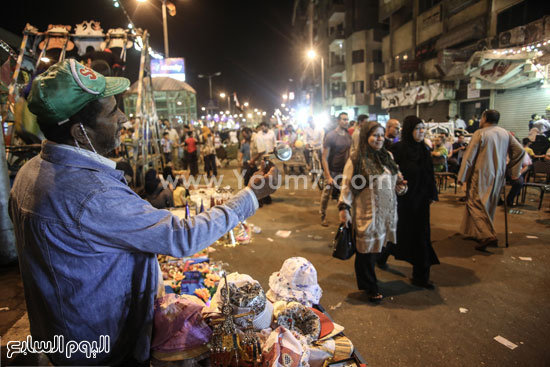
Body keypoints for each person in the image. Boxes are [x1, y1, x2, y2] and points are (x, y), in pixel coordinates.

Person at [9, 59, 278, 365]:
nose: (122, 118)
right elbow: (182, 238)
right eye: (112, 112)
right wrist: (251, 196)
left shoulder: (29, 173)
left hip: (59, 337)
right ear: (80, 132)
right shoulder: (93, 193)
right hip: (100, 348)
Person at [338, 121, 407, 302]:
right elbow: (346, 186)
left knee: (377, 249)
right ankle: (370, 286)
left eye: (381, 135)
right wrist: (344, 208)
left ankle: (370, 281)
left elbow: (396, 182)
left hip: (387, 214)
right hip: (368, 213)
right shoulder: (356, 159)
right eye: (374, 135)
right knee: (366, 253)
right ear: (365, 137)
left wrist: (401, 187)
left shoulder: (388, 156)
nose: (378, 139)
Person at [381, 116, 440, 288]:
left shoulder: (424, 150)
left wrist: (431, 195)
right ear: (409, 130)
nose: (421, 132)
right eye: (417, 128)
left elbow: (429, 175)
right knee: (398, 233)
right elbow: (387, 173)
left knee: (421, 237)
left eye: (423, 128)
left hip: (420, 202)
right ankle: (381, 255)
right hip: (402, 202)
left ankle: (421, 276)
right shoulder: (397, 149)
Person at [457, 109, 525, 250]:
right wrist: (512, 170)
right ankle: (475, 233)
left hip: (481, 174)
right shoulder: (505, 133)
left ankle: (488, 235)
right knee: (489, 203)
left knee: (474, 203)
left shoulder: (480, 133)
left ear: (484, 118)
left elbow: (469, 157)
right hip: (498, 175)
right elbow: (520, 151)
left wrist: (462, 176)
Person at [320, 112, 351, 226]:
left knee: (344, 195)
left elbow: (349, 155)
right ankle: (323, 216)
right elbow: (324, 157)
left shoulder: (348, 136)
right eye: (344, 119)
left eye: (347, 119)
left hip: (344, 171)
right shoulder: (331, 136)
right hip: (332, 170)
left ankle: (344, 217)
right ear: (338, 121)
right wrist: (328, 176)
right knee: (326, 194)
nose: (346, 122)